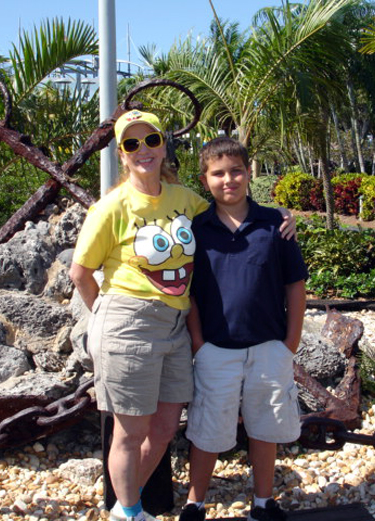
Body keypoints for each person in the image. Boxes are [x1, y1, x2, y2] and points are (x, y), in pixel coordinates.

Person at [69, 110, 296, 521]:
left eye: (151, 140)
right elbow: (80, 274)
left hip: (175, 325)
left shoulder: (184, 201)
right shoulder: (111, 207)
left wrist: (282, 215)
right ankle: (131, 511)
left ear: (163, 145)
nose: (144, 151)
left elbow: (229, 208)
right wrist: (109, 314)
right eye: (132, 144)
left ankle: (127, 506)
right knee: (130, 430)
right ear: (121, 153)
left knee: (164, 426)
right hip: (128, 322)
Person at [181, 137, 308, 521]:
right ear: (205, 181)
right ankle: (194, 503)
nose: (228, 180)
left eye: (236, 171)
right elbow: (188, 293)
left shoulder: (275, 225)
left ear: (249, 173)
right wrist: (199, 344)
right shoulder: (196, 230)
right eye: (218, 173)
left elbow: (295, 286)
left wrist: (291, 342)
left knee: (264, 425)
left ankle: (263, 502)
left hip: (270, 346)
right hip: (216, 349)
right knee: (207, 427)